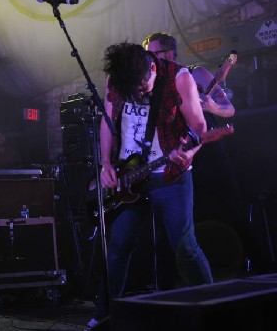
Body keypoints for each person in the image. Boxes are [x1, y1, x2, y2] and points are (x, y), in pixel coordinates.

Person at [87, 42, 213, 328]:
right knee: (118, 247)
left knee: (185, 247)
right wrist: (106, 163)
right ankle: (102, 316)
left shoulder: (179, 77)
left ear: (153, 68)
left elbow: (200, 127)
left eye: (143, 88)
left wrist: (189, 151)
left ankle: (214, 309)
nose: (139, 93)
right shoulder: (118, 79)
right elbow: (108, 122)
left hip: (169, 173)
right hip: (129, 175)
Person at [143, 32, 254, 278]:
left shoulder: (195, 73)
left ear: (170, 53)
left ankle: (253, 271)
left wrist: (211, 106)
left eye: (154, 53)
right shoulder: (155, 81)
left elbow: (230, 109)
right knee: (189, 226)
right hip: (182, 160)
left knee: (230, 211)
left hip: (211, 154)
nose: (149, 58)